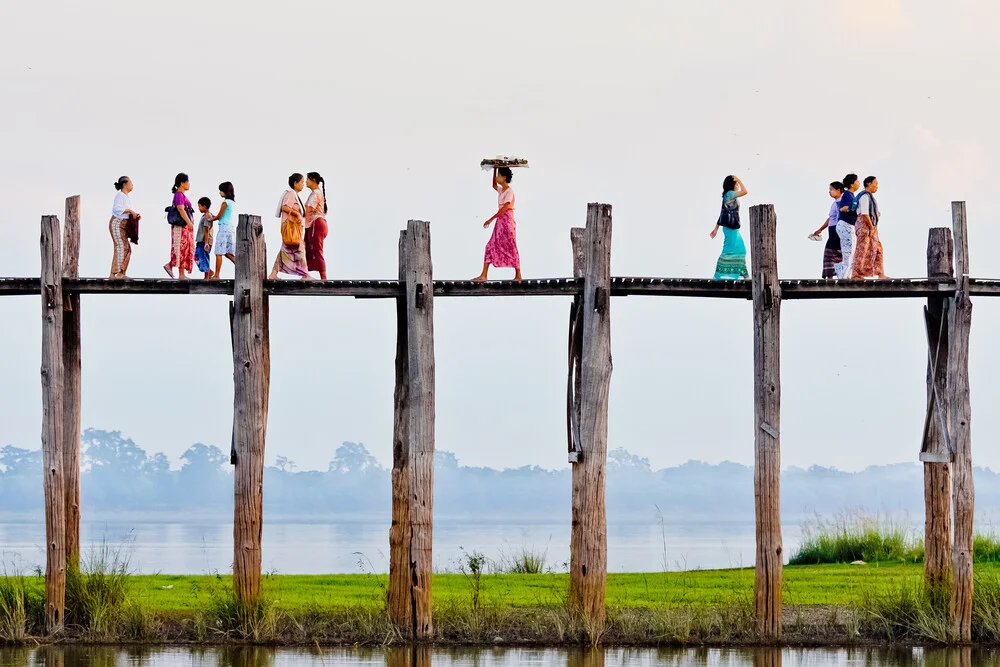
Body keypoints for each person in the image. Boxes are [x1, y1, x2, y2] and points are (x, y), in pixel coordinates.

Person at [473, 166, 521, 282]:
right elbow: (494, 185)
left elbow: (505, 208)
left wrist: (490, 219)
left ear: (504, 177)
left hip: (507, 221)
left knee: (511, 245)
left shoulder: (509, 192)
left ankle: (518, 275)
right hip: (500, 222)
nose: (497, 177)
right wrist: (495, 168)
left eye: (499, 175)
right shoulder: (502, 190)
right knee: (490, 245)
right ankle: (484, 275)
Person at [269, 173, 310, 280]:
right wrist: (296, 214)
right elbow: (285, 207)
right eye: (301, 182)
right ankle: (305, 275)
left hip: (293, 227)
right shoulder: (291, 194)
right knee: (300, 249)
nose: (303, 185)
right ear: (295, 183)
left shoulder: (294, 194)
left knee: (285, 249)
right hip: (291, 227)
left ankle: (273, 273)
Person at [710, 175, 750, 280]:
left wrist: (716, 228)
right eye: (736, 184)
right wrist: (739, 179)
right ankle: (718, 274)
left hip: (732, 228)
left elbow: (722, 212)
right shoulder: (730, 194)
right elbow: (745, 191)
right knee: (728, 251)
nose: (737, 186)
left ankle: (744, 274)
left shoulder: (727, 196)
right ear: (732, 184)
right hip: (731, 228)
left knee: (740, 249)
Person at [810, 181, 845, 279]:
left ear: (838, 190)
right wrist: (821, 229)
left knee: (830, 254)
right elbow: (831, 218)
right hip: (833, 231)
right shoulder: (836, 202)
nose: (829, 192)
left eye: (831, 190)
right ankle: (835, 277)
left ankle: (831, 278)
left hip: (836, 231)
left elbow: (840, 218)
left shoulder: (839, 202)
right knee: (837, 254)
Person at [853, 176, 886, 278]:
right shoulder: (865, 196)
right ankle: (856, 274)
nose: (877, 186)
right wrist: (871, 228)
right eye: (875, 183)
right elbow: (864, 213)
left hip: (871, 225)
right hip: (865, 225)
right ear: (868, 184)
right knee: (862, 249)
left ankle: (880, 273)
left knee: (878, 248)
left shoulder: (870, 197)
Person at [164, 173, 195, 280]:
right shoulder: (179, 195)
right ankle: (181, 274)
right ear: (182, 183)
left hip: (184, 226)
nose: (189, 184)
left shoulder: (182, 195)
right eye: (188, 181)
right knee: (181, 247)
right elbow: (181, 209)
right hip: (181, 226)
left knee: (184, 248)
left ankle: (171, 265)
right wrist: (189, 222)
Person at [109, 176, 139, 279]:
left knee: (126, 248)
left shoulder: (125, 197)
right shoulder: (120, 195)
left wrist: (134, 214)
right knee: (121, 247)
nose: (132, 184)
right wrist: (130, 211)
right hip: (117, 224)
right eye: (130, 182)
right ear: (124, 184)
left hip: (123, 225)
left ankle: (120, 272)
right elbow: (117, 209)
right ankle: (115, 274)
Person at [834, 173, 861, 279]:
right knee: (848, 253)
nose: (859, 183)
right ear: (852, 183)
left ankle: (844, 274)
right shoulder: (847, 195)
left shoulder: (851, 195)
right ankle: (843, 277)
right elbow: (843, 208)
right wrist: (855, 208)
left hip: (848, 226)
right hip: (846, 225)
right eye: (857, 181)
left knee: (850, 252)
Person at [304, 172, 329, 280]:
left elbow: (310, 209)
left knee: (316, 250)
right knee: (307, 248)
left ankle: (324, 279)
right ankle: (305, 274)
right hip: (315, 223)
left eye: (307, 179)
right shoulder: (316, 193)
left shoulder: (316, 194)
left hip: (316, 223)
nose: (305, 182)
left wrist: (295, 213)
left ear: (313, 180)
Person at [212, 181, 237, 279]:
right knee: (228, 253)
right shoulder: (233, 203)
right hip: (231, 228)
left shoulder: (225, 202)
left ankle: (217, 275)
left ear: (225, 191)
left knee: (219, 252)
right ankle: (240, 266)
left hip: (223, 228)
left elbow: (219, 216)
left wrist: (210, 219)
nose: (219, 193)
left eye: (221, 191)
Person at [194, 197, 215, 279]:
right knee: (196, 256)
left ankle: (207, 275)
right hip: (200, 240)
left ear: (205, 206)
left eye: (199, 206)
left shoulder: (207, 216)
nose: (198, 208)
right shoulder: (205, 215)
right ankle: (208, 271)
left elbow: (206, 230)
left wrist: (206, 243)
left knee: (204, 257)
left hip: (204, 241)